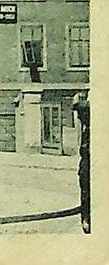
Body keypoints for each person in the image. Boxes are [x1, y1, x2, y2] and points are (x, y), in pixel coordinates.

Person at [72, 93, 90, 234]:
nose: (78, 116)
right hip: (86, 162)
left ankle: (86, 218)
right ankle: (86, 218)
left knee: (86, 191)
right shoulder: (86, 126)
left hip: (89, 163)